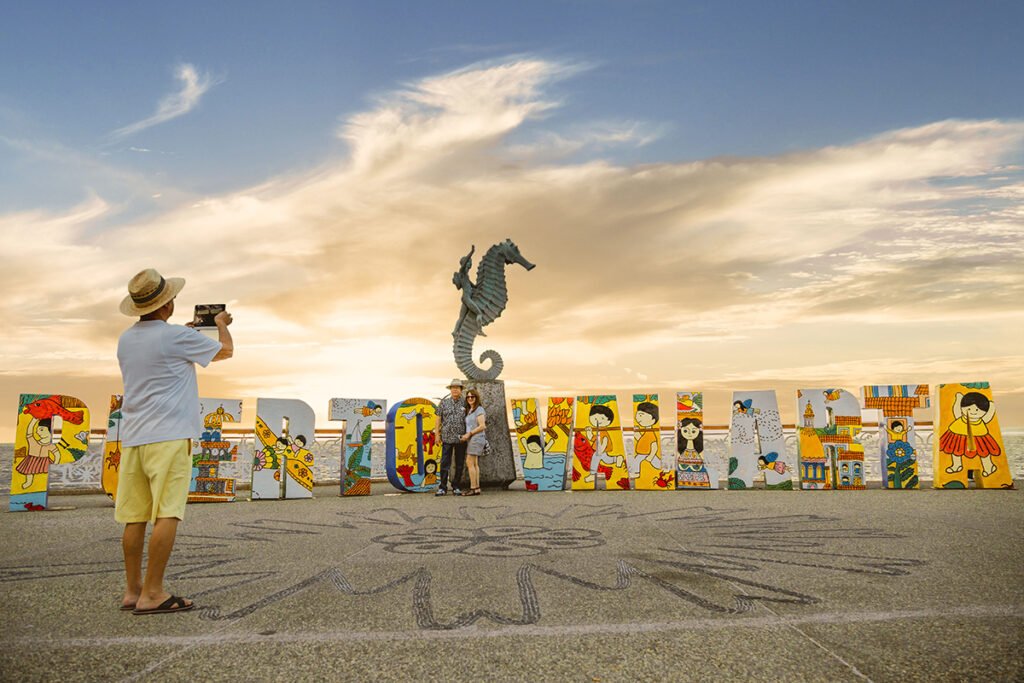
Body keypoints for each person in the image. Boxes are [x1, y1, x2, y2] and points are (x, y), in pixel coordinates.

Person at [115, 268, 233, 615]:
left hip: (135, 437)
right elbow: (224, 351)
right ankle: (153, 593)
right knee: (168, 513)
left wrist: (182, 334)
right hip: (169, 437)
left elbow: (159, 349)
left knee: (134, 517)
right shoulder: (175, 338)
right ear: (167, 305)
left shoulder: (126, 339)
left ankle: (133, 589)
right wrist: (222, 323)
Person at [434, 379, 467, 496]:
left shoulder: (466, 403)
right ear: (450, 389)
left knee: (459, 463)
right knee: (444, 463)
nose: (455, 389)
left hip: (461, 438)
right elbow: (438, 419)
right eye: (453, 387)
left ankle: (456, 486)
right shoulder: (444, 403)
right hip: (447, 438)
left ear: (461, 390)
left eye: (457, 387)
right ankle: (442, 487)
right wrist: (437, 435)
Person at [461, 388, 487, 496]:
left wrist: (469, 434)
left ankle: (473, 488)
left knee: (469, 462)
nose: (470, 398)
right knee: (475, 463)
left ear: (476, 398)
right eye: (468, 397)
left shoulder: (479, 409)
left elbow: (482, 426)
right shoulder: (470, 410)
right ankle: (476, 488)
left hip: (476, 437)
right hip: (473, 438)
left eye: (472, 396)